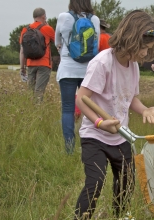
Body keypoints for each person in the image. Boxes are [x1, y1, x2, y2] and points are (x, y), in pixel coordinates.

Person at [74, 10, 154, 219]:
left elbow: (130, 98)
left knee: (126, 182)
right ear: (130, 38)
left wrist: (145, 109)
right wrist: (99, 122)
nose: (144, 54)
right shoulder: (102, 63)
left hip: (121, 136)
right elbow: (81, 98)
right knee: (95, 181)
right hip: (94, 136)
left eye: (148, 49)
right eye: (143, 48)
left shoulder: (133, 67)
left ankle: (119, 216)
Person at [55, 0, 100, 154]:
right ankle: (89, 145)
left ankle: (69, 148)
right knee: (89, 107)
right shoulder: (94, 19)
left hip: (67, 69)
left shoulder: (63, 17)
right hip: (87, 71)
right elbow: (96, 45)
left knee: (67, 109)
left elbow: (57, 41)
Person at [19, 8, 55, 103]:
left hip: (30, 64)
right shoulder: (47, 28)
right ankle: (38, 111)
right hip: (44, 64)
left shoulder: (25, 30)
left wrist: (22, 68)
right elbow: (58, 42)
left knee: (30, 92)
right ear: (43, 16)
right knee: (39, 91)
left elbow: (22, 51)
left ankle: (30, 111)